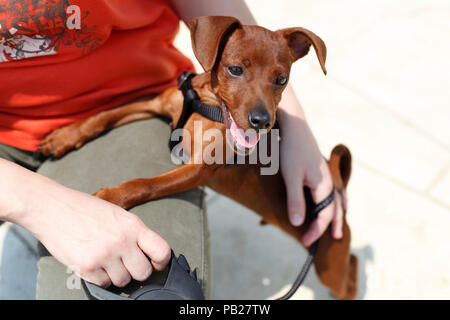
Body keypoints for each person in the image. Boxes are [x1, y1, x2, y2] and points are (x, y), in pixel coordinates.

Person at [0, 0, 344, 291]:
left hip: (302, 215)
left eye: (279, 81)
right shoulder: (193, 92)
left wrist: (296, 125)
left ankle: (348, 284)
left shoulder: (215, 116)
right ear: (209, 49)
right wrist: (36, 203)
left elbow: (198, 169)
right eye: (235, 70)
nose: (260, 110)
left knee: (336, 275)